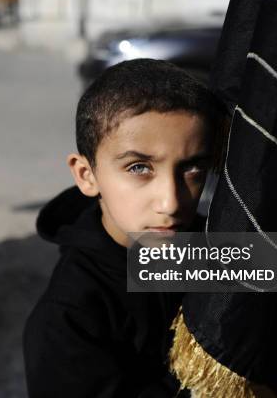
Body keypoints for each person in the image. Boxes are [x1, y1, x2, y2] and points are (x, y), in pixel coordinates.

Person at [23, 58, 226, 397]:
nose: (171, 203)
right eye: (138, 168)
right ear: (87, 175)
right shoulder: (67, 321)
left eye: (191, 169)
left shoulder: (197, 241)